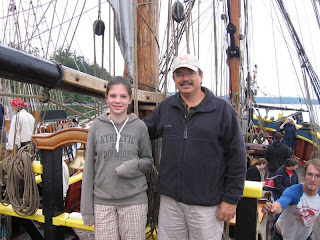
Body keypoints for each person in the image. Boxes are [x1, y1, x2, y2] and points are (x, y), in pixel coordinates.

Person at [143, 53, 247, 239]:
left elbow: (237, 159)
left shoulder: (223, 112)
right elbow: (142, 131)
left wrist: (231, 200)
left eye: (190, 73)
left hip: (206, 206)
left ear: (200, 76)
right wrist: (114, 123)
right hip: (170, 202)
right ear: (174, 79)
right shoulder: (166, 107)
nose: (185, 79)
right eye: (179, 74)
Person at [81, 76, 153, 239]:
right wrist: (87, 211)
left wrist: (131, 167)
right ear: (106, 98)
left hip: (134, 201)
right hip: (103, 202)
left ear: (130, 99)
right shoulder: (96, 127)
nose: (117, 101)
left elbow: (148, 161)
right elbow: (89, 170)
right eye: (113, 96)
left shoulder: (140, 127)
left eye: (123, 96)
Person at [262, 158, 320, 240]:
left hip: (305, 236)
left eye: (317, 176)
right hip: (282, 236)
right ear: (304, 175)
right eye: (310, 174)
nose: (313, 179)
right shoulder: (294, 192)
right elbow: (281, 202)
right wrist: (272, 207)